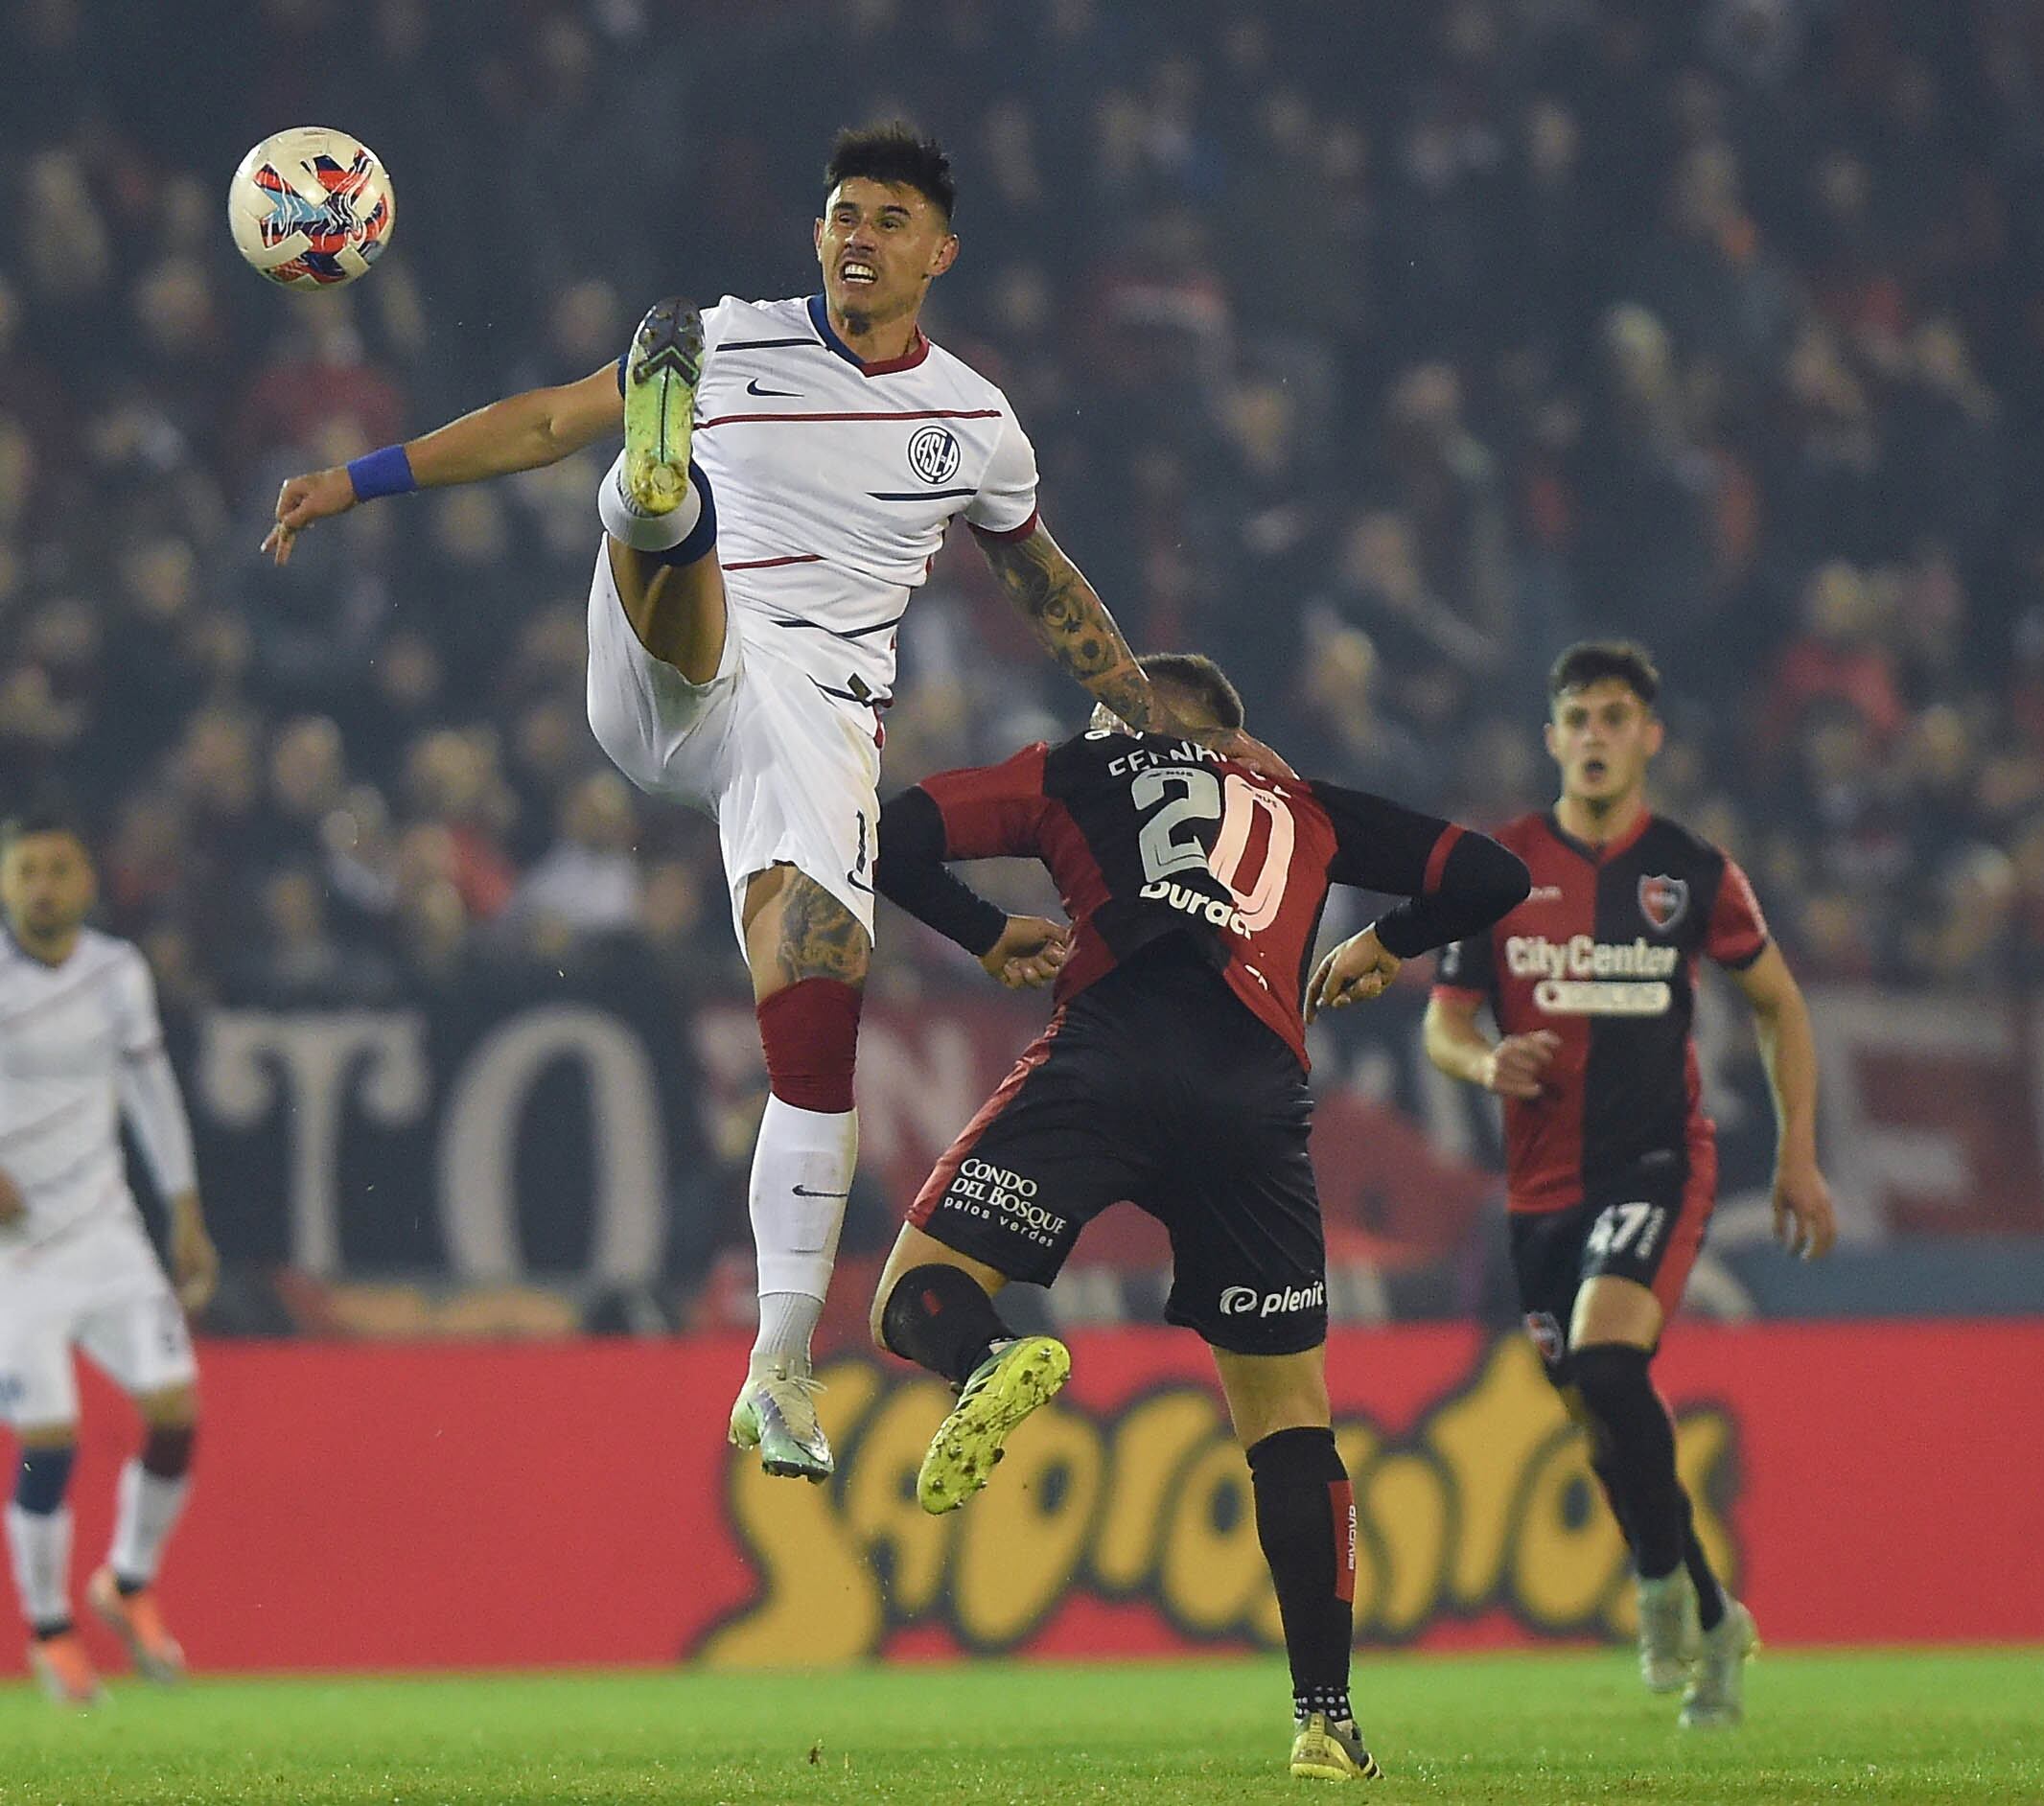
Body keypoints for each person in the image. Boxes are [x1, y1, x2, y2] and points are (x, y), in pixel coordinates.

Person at [261, 127, 1272, 1483]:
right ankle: (663, 498)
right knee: (635, 473)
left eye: (888, 217)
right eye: (842, 212)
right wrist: (360, 478)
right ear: (817, 235)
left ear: (938, 252)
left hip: (811, 713)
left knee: (821, 999)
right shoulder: (732, 338)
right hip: (675, 660)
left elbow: (1046, 588)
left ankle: (778, 1371)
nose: (858, 233)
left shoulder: (972, 421)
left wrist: (1147, 709)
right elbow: (549, 421)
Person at [863, 653, 1527, 1782]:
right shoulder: (1302, 800)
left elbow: (889, 832)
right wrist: (1384, 943)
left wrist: (981, 931)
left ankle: (991, 1354)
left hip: (1109, 1051)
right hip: (1254, 1095)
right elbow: (1492, 873)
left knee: (910, 1296)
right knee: (1287, 1423)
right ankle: (1325, 1717)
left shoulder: (1077, 767)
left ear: (1132, 714)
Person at [1420, 640, 1838, 1729]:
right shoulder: (1498, 867)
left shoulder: (1693, 869)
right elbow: (1444, 1024)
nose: (1597, 736)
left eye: (1617, 717)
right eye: (1579, 718)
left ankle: (1654, 1588)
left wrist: (1796, 1155)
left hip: (1657, 1159)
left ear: (1649, 736)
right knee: (1602, 1420)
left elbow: (1778, 1005)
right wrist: (1482, 1063)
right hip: (1537, 1188)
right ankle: (1711, 1613)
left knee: (1610, 1362)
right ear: (1551, 737)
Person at [0, 814, 218, 1705]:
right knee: (50, 1436)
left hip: (106, 1232)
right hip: (14, 1258)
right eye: (27, 871)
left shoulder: (116, 973)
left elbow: (149, 1088)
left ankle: (127, 1580)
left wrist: (185, 1211)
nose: (44, 885)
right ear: (6, 884)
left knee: (175, 1409)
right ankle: (51, 1631)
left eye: (60, 868)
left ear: (88, 882)